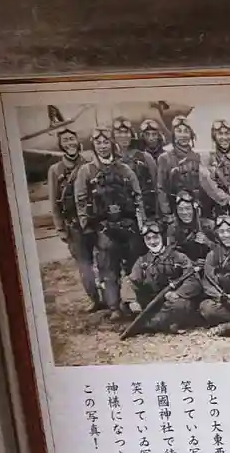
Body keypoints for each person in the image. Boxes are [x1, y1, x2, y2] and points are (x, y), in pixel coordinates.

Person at [73, 128, 144, 318]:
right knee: (108, 267)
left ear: (111, 144)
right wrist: (87, 225)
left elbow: (138, 196)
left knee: (132, 265)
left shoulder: (124, 169)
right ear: (93, 145)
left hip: (127, 224)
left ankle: (132, 302)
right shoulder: (86, 171)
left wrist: (140, 222)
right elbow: (81, 200)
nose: (102, 146)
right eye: (98, 143)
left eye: (106, 142)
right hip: (102, 227)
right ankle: (114, 307)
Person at [47, 128, 99, 309]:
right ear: (60, 145)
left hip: (93, 221)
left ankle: (111, 299)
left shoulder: (89, 163)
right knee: (84, 265)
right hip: (74, 226)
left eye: (72, 139)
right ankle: (96, 300)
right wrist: (60, 228)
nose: (70, 143)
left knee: (103, 261)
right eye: (66, 140)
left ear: (78, 142)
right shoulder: (55, 170)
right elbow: (54, 202)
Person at [121, 220, 202, 333]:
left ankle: (147, 325)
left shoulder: (178, 256)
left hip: (174, 300)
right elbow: (130, 280)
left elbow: (193, 280)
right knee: (125, 304)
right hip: (153, 301)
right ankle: (162, 324)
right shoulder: (142, 261)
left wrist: (177, 293)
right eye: (148, 239)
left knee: (181, 305)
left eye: (155, 237)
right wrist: (131, 301)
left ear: (162, 238)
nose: (152, 242)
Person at [113, 117, 160, 224]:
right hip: (121, 214)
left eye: (126, 132)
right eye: (119, 133)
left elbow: (157, 187)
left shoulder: (145, 157)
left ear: (131, 134)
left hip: (146, 211)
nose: (124, 136)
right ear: (113, 136)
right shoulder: (110, 160)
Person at [157, 115, 203, 218]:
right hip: (174, 210)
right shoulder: (165, 158)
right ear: (174, 134)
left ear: (191, 134)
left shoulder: (197, 157)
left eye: (186, 131)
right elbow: (161, 188)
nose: (183, 135)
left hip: (196, 209)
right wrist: (167, 213)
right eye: (179, 131)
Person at [165, 190, 216, 268]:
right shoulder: (173, 228)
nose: (184, 213)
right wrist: (192, 262)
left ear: (194, 209)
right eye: (180, 209)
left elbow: (223, 250)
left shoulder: (209, 225)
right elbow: (170, 253)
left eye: (188, 208)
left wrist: (208, 242)